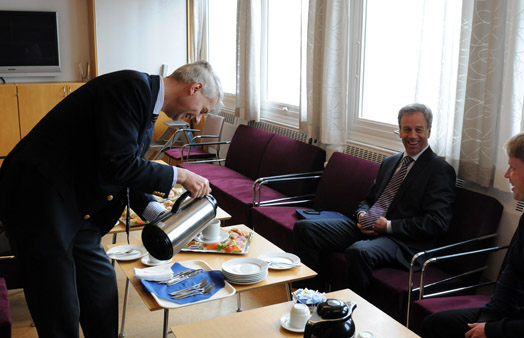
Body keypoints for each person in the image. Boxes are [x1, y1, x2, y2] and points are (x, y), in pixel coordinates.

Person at [0, 60, 222, 338]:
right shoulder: (130, 88)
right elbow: (118, 164)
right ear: (195, 88)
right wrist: (179, 175)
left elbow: (125, 170)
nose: (198, 118)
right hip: (39, 200)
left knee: (99, 286)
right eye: (203, 110)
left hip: (76, 206)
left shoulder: (145, 103)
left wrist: (156, 212)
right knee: (57, 303)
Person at [293, 103, 456, 296]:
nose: (412, 135)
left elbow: (436, 223)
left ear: (428, 131)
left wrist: (387, 226)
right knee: (305, 229)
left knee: (359, 251)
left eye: (418, 129)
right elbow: (369, 199)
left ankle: (348, 312)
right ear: (400, 132)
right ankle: (311, 297)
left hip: (402, 242)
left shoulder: (440, 170)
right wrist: (362, 214)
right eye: (407, 129)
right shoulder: (390, 162)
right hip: (369, 228)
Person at [421, 133, 524, 338]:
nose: (506, 174)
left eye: (513, 167)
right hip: (510, 314)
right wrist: (487, 318)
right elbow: (512, 273)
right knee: (435, 324)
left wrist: (492, 330)